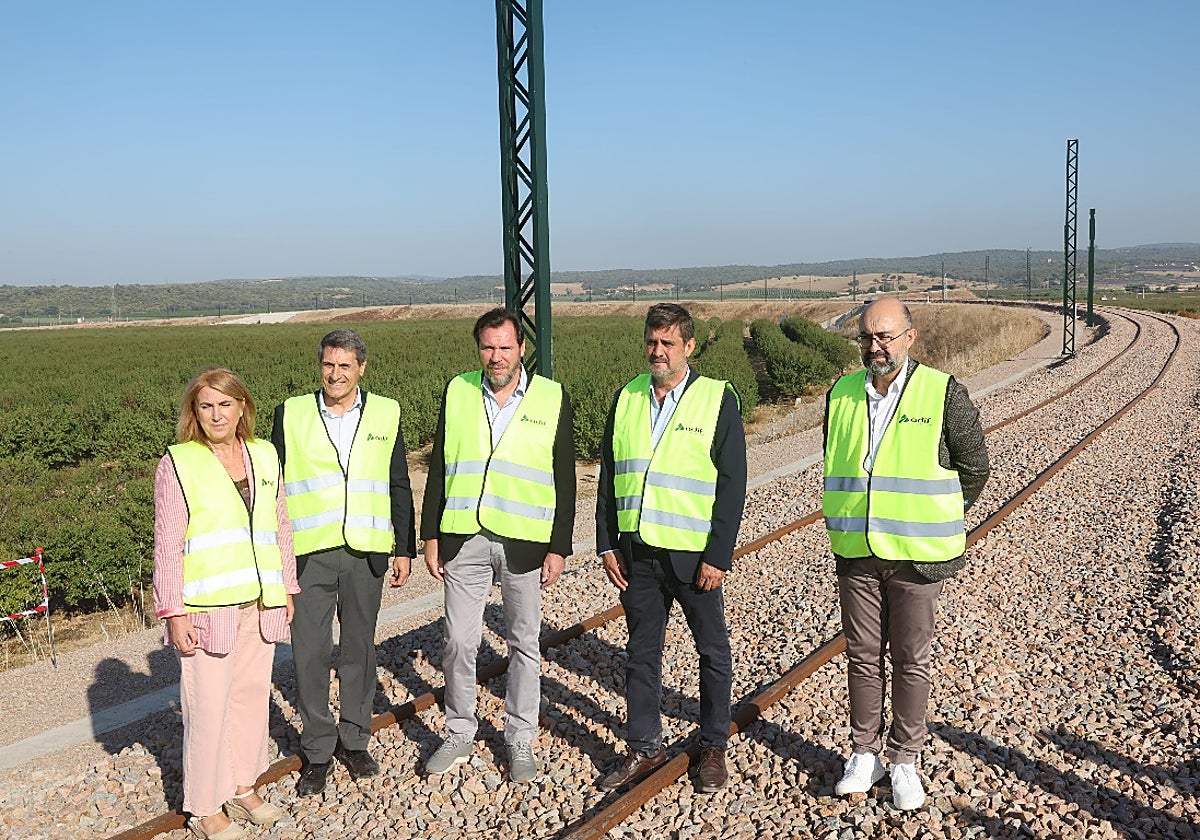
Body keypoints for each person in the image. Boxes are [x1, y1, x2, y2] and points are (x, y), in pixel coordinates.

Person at [823, 298, 989, 810]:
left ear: (910, 338)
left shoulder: (943, 392)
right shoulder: (842, 392)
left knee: (911, 661)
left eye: (886, 337)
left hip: (917, 556)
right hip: (856, 548)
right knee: (862, 658)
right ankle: (864, 753)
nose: (876, 347)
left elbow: (975, 467)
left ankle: (904, 760)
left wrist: (937, 515)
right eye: (868, 337)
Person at [595, 302, 746, 794]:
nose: (657, 351)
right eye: (652, 341)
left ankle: (713, 745)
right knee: (641, 653)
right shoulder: (627, 397)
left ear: (689, 347)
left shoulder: (716, 399)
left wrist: (718, 556)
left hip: (692, 555)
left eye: (668, 343)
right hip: (637, 553)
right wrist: (606, 542)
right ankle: (644, 748)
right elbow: (609, 476)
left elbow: (731, 484)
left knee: (712, 651)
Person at [420, 308, 576, 783]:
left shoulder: (551, 397)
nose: (496, 356)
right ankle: (459, 732)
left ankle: (519, 738)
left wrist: (559, 546)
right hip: (464, 535)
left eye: (505, 347)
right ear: (478, 349)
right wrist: (430, 534)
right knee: (458, 640)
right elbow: (440, 466)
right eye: (488, 347)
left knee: (524, 642)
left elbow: (563, 475)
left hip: (525, 540)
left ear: (521, 349)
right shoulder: (458, 390)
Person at [153, 368, 298, 840]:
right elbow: (168, 542)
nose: (217, 415)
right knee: (207, 707)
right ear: (194, 413)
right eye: (206, 406)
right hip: (207, 608)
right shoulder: (179, 462)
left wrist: (286, 587)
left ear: (242, 408)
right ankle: (204, 805)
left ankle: (242, 784)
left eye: (225, 404)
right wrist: (173, 612)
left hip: (260, 602)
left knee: (251, 698)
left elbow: (281, 526)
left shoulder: (264, 454)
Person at [271, 329, 416, 796]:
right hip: (309, 554)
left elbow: (397, 483)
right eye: (329, 365)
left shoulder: (386, 412)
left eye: (345, 366)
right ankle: (317, 748)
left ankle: (355, 739)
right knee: (310, 653)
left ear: (362, 368)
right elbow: (274, 492)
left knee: (359, 649)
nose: (336, 374)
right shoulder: (290, 414)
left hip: (366, 552)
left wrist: (404, 548)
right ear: (321, 366)